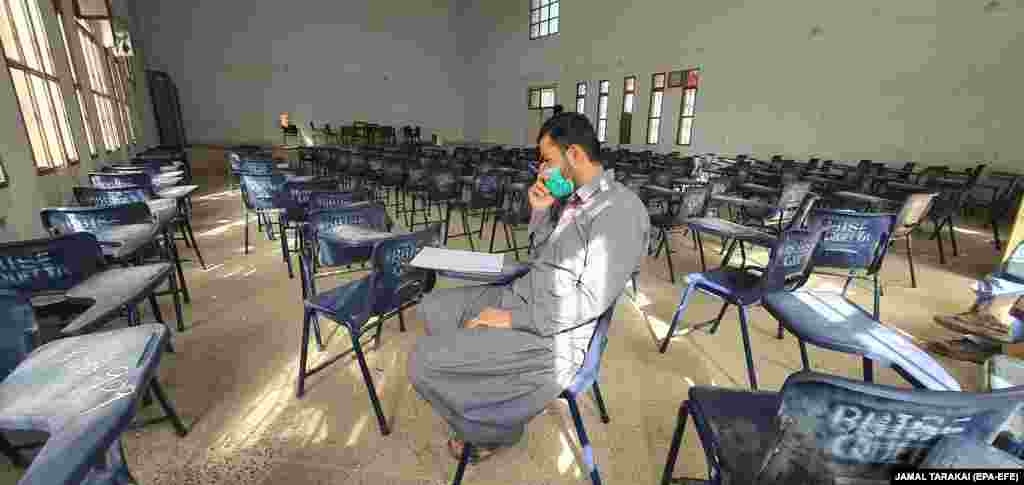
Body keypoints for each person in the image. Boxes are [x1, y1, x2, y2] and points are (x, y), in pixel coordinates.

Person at [408, 113, 650, 462]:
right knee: (433, 308)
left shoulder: (618, 210)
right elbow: (542, 258)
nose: (542, 170)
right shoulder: (572, 200)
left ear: (576, 155)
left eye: (548, 160)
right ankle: (484, 388)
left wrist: (510, 319)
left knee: (422, 363)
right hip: (526, 293)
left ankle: (496, 430)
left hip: (553, 334)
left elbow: (587, 301)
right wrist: (540, 211)